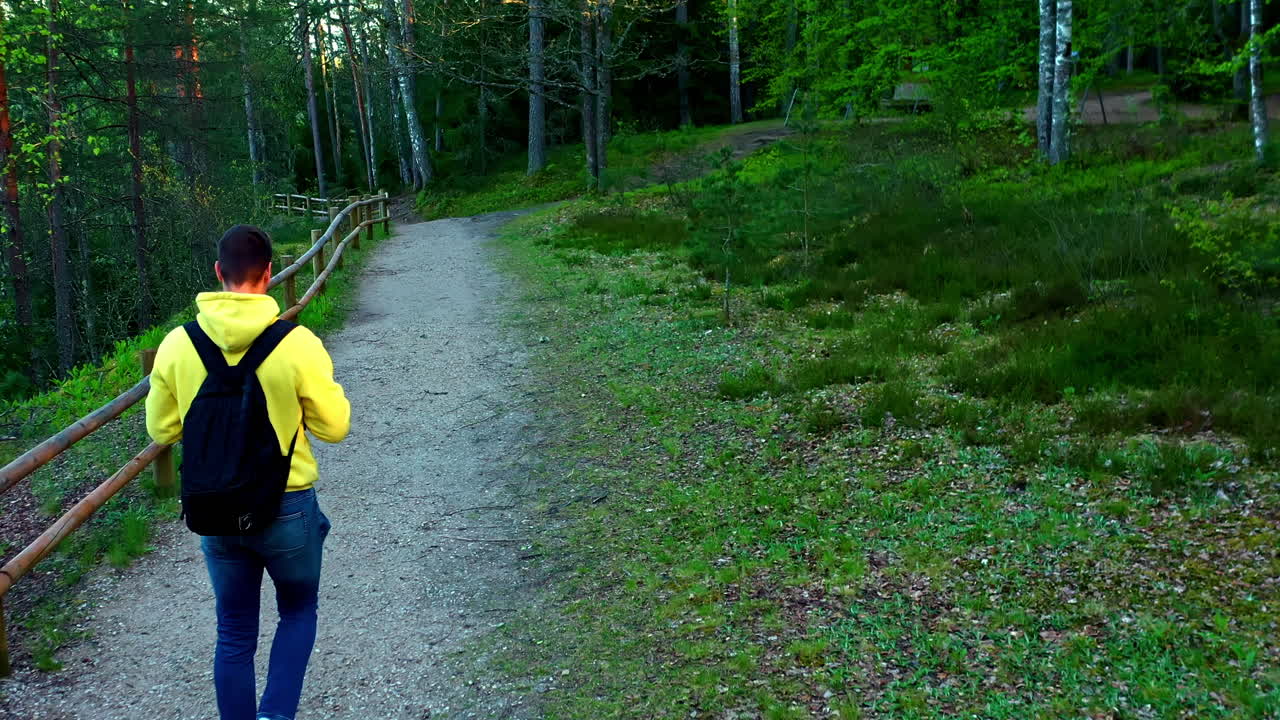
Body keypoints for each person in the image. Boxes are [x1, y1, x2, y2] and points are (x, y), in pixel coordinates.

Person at [145, 225, 351, 720]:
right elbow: (335, 427)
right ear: (270, 275)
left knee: (234, 630)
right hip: (286, 508)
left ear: (218, 274)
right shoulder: (296, 342)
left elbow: (162, 427)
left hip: (215, 511)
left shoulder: (178, 344)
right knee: (298, 613)